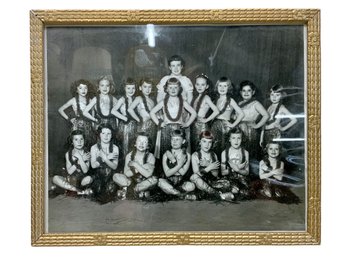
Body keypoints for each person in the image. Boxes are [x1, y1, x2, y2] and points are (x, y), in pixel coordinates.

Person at [150, 77, 197, 160]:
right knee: (166, 150)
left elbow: (194, 113)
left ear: (179, 89)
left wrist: (186, 124)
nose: (173, 89)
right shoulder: (163, 101)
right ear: (166, 89)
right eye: (170, 87)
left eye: (175, 87)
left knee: (178, 151)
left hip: (178, 130)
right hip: (166, 129)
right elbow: (152, 112)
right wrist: (159, 123)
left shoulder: (183, 102)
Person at [190, 131, 234, 201]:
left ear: (212, 143)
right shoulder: (195, 155)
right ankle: (217, 194)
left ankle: (207, 194)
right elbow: (196, 173)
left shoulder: (213, 155)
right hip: (200, 182)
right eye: (204, 141)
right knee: (193, 177)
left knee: (227, 183)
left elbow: (215, 174)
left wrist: (208, 164)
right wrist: (209, 167)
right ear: (199, 142)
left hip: (212, 182)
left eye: (209, 142)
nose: (207, 145)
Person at [113, 133, 158, 200]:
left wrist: (136, 165)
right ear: (135, 144)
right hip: (130, 181)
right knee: (115, 176)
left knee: (155, 180)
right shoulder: (129, 156)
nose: (141, 144)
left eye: (145, 142)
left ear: (148, 146)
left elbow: (148, 174)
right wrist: (143, 167)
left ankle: (131, 190)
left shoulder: (150, 156)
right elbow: (127, 174)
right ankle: (138, 191)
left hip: (143, 181)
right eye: (139, 141)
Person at [51, 130, 93, 197]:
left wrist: (80, 157)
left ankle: (71, 190)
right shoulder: (68, 154)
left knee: (89, 179)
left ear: (84, 141)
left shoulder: (87, 153)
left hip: (82, 180)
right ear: (72, 142)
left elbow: (85, 171)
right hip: (70, 179)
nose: (79, 142)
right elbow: (70, 171)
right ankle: (77, 191)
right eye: (76, 139)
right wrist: (79, 161)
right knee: (55, 178)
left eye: (81, 139)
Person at [211, 77, 244, 158]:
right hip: (215, 126)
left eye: (225, 86)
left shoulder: (231, 100)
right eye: (220, 86)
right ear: (217, 87)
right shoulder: (215, 100)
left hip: (225, 127)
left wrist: (233, 125)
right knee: (215, 147)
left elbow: (241, 114)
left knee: (224, 147)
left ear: (228, 88)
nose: (222, 88)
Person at [158, 129, 196, 200]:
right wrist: (179, 164)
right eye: (172, 139)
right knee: (160, 181)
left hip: (181, 182)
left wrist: (173, 160)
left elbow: (182, 172)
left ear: (183, 141)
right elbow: (167, 174)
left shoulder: (187, 155)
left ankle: (173, 192)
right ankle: (181, 195)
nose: (174, 142)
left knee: (192, 186)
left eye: (177, 139)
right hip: (168, 181)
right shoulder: (166, 154)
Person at [238, 80, 269, 159]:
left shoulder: (256, 103)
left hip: (249, 132)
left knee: (249, 153)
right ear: (241, 92)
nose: (246, 93)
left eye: (249, 90)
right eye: (244, 91)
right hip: (239, 131)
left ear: (253, 92)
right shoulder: (239, 103)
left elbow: (266, 115)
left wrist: (257, 126)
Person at [58, 79, 96, 144]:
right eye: (80, 88)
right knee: (78, 142)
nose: (83, 90)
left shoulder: (89, 100)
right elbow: (60, 110)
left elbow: (93, 111)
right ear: (76, 90)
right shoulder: (73, 100)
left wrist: (93, 122)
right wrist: (69, 119)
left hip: (88, 125)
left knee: (88, 142)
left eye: (85, 88)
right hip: (77, 125)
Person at [90, 123, 119, 203]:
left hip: (110, 176)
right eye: (103, 133)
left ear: (112, 135)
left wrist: (105, 159)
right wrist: (107, 158)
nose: (106, 136)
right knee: (98, 191)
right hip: (98, 176)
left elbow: (114, 167)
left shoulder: (115, 148)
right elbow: (93, 165)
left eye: (108, 133)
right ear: (99, 134)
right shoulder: (94, 147)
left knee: (110, 191)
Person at [190, 74, 219, 152]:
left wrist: (206, 120)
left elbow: (216, 111)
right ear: (195, 85)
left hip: (202, 125)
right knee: (194, 145)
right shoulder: (195, 97)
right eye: (198, 84)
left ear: (207, 86)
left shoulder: (206, 97)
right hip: (194, 124)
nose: (200, 87)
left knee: (201, 144)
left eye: (203, 85)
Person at [127, 78, 157, 152]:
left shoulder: (152, 100)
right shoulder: (139, 98)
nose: (147, 89)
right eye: (145, 87)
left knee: (150, 145)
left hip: (152, 126)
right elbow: (130, 109)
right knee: (141, 144)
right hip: (143, 125)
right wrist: (138, 119)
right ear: (140, 88)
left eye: (149, 87)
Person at [111, 78, 138, 159]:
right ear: (124, 88)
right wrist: (124, 118)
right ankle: (124, 164)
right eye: (128, 88)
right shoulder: (122, 99)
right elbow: (113, 111)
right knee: (125, 145)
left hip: (134, 125)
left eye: (133, 88)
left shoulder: (136, 99)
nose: (131, 90)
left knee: (133, 144)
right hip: (125, 126)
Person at [221, 127, 250, 200]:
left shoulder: (245, 152)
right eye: (233, 138)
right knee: (228, 186)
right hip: (228, 178)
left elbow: (247, 172)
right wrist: (234, 169)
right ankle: (231, 193)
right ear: (229, 139)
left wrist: (238, 170)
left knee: (246, 193)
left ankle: (231, 194)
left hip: (241, 178)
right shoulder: (224, 153)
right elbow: (223, 172)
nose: (236, 141)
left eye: (239, 138)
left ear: (242, 139)